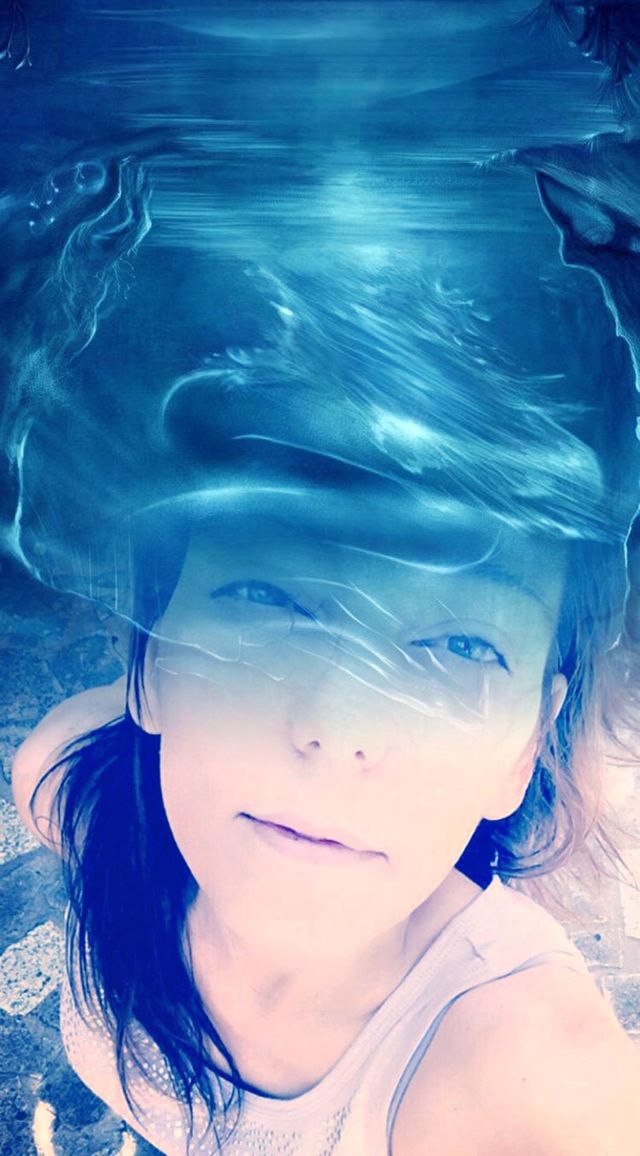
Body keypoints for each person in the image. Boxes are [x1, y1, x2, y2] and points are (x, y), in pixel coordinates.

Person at [11, 254, 640, 1156]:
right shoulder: (67, 788)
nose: (340, 731)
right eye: (265, 597)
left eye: (462, 647)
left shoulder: (528, 1083)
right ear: (151, 658)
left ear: (525, 745)